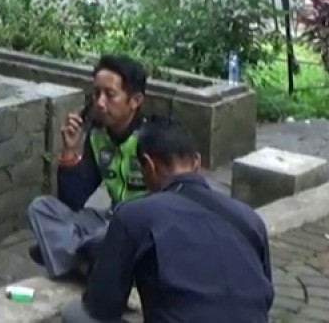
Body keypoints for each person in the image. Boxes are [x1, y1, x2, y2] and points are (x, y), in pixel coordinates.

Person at [62, 116, 275, 323]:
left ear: (148, 165)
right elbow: (265, 300)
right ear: (197, 162)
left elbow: (102, 306)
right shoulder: (249, 218)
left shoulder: (135, 214)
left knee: (76, 314)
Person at [27, 55, 148, 279]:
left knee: (108, 233)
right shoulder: (97, 137)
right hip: (108, 221)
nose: (100, 103)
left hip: (140, 229)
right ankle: (87, 261)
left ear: (135, 100)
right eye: (96, 94)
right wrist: (70, 152)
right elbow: (73, 202)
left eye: (110, 95)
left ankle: (65, 253)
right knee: (41, 208)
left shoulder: (152, 140)